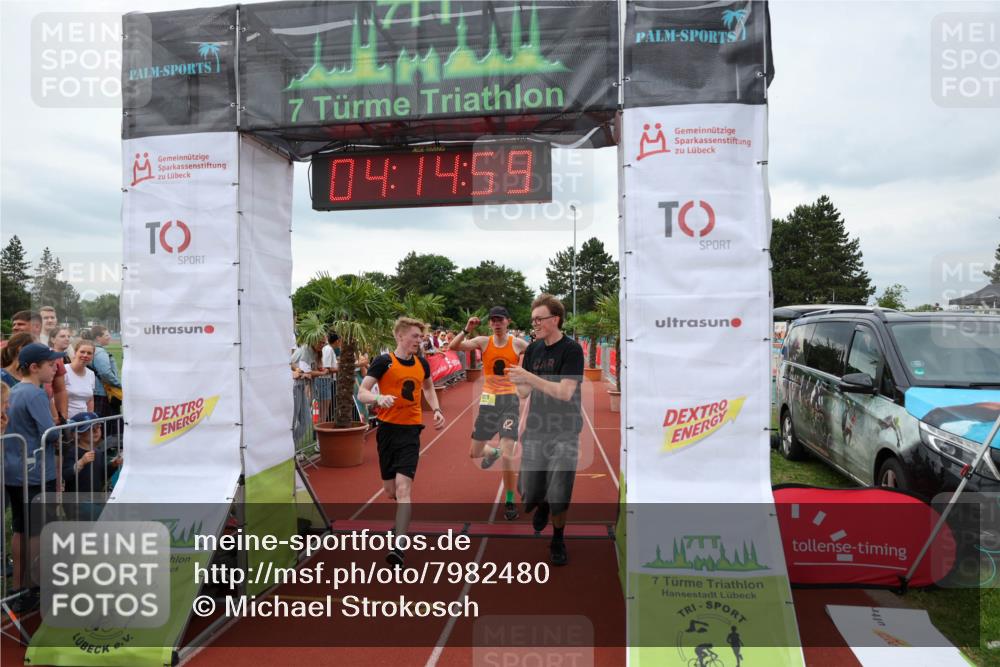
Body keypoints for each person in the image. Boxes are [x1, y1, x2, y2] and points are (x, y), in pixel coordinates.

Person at [357, 317, 446, 566]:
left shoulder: (421, 363)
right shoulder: (384, 362)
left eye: (421, 336)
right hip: (386, 430)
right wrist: (378, 398)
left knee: (404, 488)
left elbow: (428, 388)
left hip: (410, 431)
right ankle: (401, 520)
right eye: (415, 336)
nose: (420, 340)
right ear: (400, 336)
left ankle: (399, 545)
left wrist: (436, 409)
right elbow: (362, 392)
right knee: (390, 491)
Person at [506, 294, 584, 566]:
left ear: (555, 320)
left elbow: (564, 392)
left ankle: (558, 538)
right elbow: (525, 393)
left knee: (560, 490)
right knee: (528, 490)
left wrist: (528, 377)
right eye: (533, 320)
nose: (534, 324)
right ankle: (542, 504)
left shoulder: (572, 350)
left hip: (564, 432)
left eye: (539, 319)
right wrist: (518, 380)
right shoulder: (534, 350)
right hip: (537, 431)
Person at [449, 306, 529, 521]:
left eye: (500, 319)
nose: (496, 323)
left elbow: (537, 358)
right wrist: (467, 329)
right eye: (493, 320)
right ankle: (491, 453)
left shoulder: (519, 344)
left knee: (508, 453)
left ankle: (510, 501)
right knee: (474, 453)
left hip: (509, 400)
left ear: (508, 321)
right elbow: (453, 346)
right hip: (488, 400)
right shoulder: (484, 342)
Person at [4, 343, 64, 611]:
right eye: (51, 364)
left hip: (15, 470)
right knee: (38, 528)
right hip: (37, 471)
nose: (55, 368)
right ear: (34, 367)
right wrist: (64, 429)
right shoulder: (36, 394)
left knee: (20, 526)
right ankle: (35, 585)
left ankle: (19, 586)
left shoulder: (14, 392)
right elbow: (50, 433)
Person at [62, 412, 121, 519]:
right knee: (107, 516)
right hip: (77, 503)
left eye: (98, 427)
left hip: (95, 499)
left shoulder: (98, 452)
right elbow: (66, 475)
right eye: (90, 429)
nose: (96, 431)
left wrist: (113, 465)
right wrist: (81, 462)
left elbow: (102, 476)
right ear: (77, 434)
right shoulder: (73, 452)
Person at [89, 325, 121, 418]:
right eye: (106, 335)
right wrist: (118, 384)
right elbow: (105, 373)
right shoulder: (100, 352)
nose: (109, 337)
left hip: (97, 392)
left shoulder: (92, 349)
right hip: (104, 393)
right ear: (98, 337)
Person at [65, 340, 97, 418]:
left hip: (83, 422)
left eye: (89, 353)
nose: (85, 355)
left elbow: (90, 400)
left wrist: (90, 419)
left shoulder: (91, 374)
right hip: (66, 422)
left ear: (92, 356)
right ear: (75, 353)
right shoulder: (64, 370)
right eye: (82, 352)